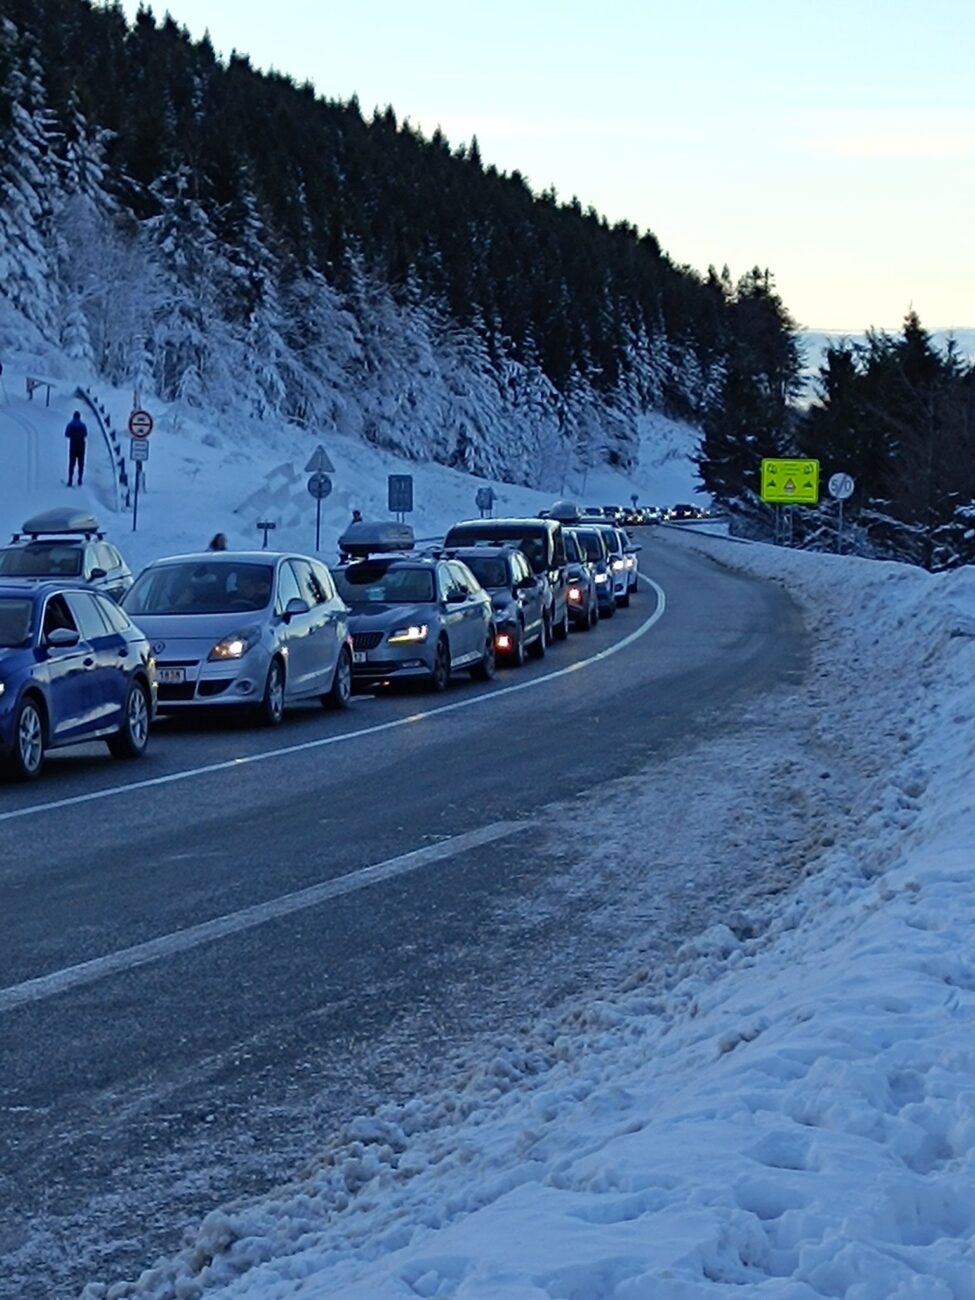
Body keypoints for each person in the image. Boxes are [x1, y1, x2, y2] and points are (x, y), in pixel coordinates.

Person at [64, 411, 87, 487]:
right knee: (81, 464)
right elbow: (85, 434)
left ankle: (70, 480)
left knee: (71, 463)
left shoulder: (70, 425)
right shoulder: (83, 425)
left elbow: (66, 434)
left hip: (73, 446)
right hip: (81, 447)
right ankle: (80, 479)